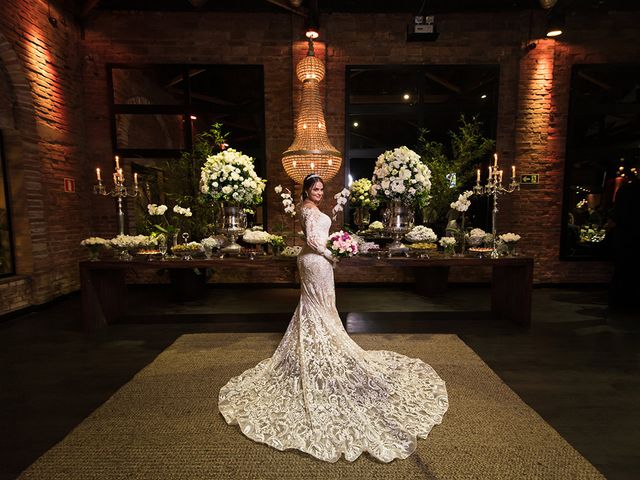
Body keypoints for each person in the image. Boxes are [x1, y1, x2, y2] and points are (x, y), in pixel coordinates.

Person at [218, 173, 448, 463]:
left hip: (312, 261)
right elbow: (315, 242)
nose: (318, 192)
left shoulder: (306, 208)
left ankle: (316, 345)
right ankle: (318, 350)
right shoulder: (308, 209)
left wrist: (337, 247)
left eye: (321, 189)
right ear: (306, 189)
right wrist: (335, 253)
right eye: (314, 188)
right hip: (316, 261)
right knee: (318, 306)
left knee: (318, 306)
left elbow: (314, 239)